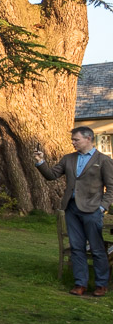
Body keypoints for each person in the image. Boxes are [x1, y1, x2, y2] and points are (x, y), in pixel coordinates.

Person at [35, 126, 113, 297]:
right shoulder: (68, 159)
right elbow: (51, 175)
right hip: (71, 209)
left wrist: (102, 207)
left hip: (93, 210)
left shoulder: (103, 160)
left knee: (97, 248)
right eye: (73, 139)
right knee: (77, 248)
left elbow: (112, 187)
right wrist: (41, 162)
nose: (73, 142)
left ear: (88, 139)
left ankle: (101, 285)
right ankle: (80, 284)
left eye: (76, 139)